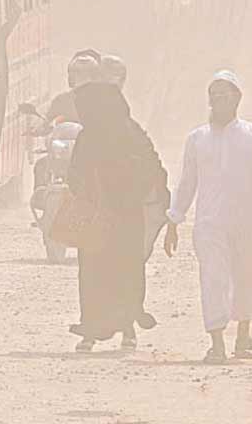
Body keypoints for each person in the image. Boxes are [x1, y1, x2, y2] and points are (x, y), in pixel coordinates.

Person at [165, 70, 252, 364]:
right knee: (213, 278)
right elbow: (187, 184)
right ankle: (216, 342)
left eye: (223, 95)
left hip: (248, 221)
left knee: (248, 278)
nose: (217, 101)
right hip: (210, 224)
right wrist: (174, 220)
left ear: (237, 98)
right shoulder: (196, 139)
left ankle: (243, 336)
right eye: (213, 96)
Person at [67, 81, 169, 352]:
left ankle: (127, 327)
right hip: (101, 216)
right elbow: (74, 173)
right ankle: (91, 330)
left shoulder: (129, 132)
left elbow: (150, 166)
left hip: (123, 215)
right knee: (98, 273)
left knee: (123, 270)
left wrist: (121, 184)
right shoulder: (89, 136)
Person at [33, 51, 102, 189]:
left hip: (94, 154)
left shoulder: (104, 101)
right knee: (41, 166)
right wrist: (40, 128)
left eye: (87, 76)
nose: (82, 81)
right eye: (78, 75)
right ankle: (41, 195)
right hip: (63, 154)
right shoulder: (61, 100)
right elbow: (45, 121)